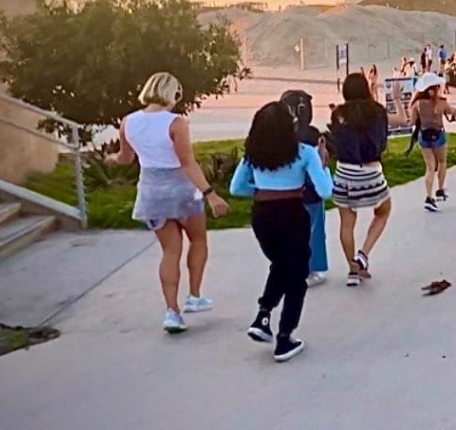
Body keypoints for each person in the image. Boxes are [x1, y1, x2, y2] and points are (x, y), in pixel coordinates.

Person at [110, 71, 228, 334]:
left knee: (169, 252)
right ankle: (194, 296)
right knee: (198, 240)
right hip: (182, 191)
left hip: (151, 192)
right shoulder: (176, 123)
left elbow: (125, 158)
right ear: (172, 94)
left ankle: (171, 312)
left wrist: (111, 159)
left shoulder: (128, 122)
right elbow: (187, 163)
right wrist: (210, 193)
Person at [230, 101, 333, 362]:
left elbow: (236, 188)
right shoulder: (305, 152)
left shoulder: (252, 155)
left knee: (280, 264)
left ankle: (263, 316)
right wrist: (324, 165)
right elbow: (324, 191)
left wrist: (263, 190)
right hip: (292, 214)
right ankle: (285, 337)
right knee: (296, 276)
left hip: (262, 215)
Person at [328, 72, 392, 286]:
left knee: (347, 222)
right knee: (383, 211)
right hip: (371, 171)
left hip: (344, 172)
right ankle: (363, 254)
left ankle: (352, 270)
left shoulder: (338, 114)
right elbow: (382, 141)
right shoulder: (378, 112)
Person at [279, 89, 328, 287]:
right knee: (313, 231)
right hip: (309, 190)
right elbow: (319, 162)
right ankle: (309, 270)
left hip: (284, 190)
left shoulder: (279, 135)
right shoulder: (312, 134)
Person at [410, 71, 456, 211]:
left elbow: (411, 122)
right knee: (442, 162)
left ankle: (428, 197)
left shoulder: (417, 104)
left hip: (424, 136)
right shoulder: (442, 103)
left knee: (430, 168)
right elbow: (455, 114)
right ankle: (440, 189)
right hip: (438, 135)